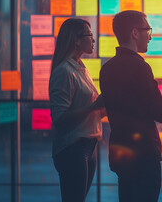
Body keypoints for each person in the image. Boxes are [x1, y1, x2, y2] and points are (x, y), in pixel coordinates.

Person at [99, 10, 162, 202]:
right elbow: (161, 113)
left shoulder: (107, 69)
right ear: (135, 33)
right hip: (144, 153)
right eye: (148, 30)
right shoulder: (140, 67)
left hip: (122, 153)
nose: (150, 36)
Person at [49, 18, 105, 202]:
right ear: (76, 40)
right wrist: (93, 108)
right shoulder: (64, 71)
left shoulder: (81, 68)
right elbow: (60, 118)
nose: (93, 40)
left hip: (90, 144)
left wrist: (105, 107)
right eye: (90, 35)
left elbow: (90, 110)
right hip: (73, 147)